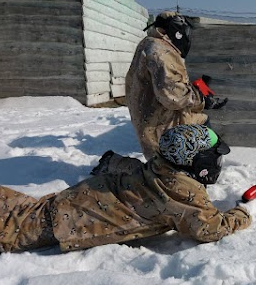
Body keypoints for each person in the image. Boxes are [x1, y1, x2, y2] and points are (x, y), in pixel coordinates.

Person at [0, 125, 251, 253]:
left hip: (77, 200)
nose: (218, 162)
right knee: (8, 232)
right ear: (195, 161)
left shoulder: (160, 167)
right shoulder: (181, 193)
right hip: (72, 220)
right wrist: (242, 215)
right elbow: (209, 228)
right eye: (213, 157)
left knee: (18, 208)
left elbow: (134, 169)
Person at [91, 12, 227, 176]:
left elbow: (166, 85)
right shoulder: (161, 52)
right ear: (176, 31)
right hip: (160, 124)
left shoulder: (150, 43)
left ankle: (195, 172)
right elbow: (173, 96)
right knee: (165, 174)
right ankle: (116, 165)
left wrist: (195, 93)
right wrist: (202, 99)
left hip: (155, 116)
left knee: (174, 161)